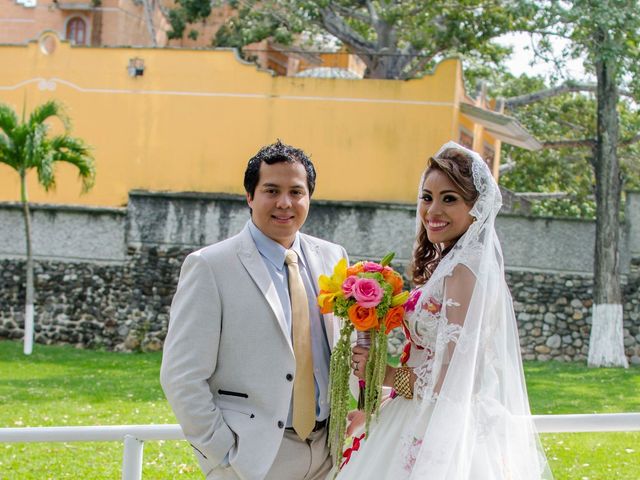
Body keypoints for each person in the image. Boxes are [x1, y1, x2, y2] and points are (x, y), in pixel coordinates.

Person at [336, 141, 552, 479]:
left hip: (442, 432)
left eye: (449, 199)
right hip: (419, 415)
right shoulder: (454, 263)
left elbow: (452, 380)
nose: (432, 210)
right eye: (427, 197)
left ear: (476, 207)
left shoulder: (464, 269)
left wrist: (386, 375)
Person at [160, 140, 347, 480]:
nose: (285, 203)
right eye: (271, 190)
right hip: (254, 458)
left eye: (296, 191)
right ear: (250, 196)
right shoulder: (210, 266)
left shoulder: (334, 259)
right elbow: (181, 375)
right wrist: (223, 454)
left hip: (327, 453)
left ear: (310, 198)